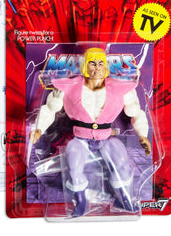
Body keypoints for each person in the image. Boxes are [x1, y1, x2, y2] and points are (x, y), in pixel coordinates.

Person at [31, 47, 151, 217]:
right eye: (92, 63)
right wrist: (38, 129)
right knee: (74, 165)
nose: (97, 68)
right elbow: (50, 108)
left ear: (106, 66)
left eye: (101, 63)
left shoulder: (120, 88)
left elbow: (136, 112)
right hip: (80, 138)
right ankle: (81, 202)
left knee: (121, 163)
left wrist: (142, 135)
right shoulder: (69, 86)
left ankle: (124, 198)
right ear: (85, 66)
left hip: (107, 138)